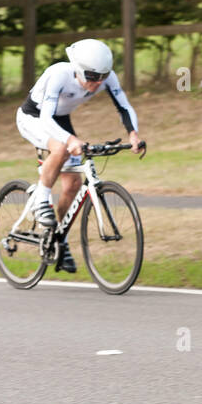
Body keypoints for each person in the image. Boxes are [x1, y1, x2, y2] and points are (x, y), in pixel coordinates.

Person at [16, 39, 145, 273]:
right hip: (33, 117)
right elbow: (46, 119)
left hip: (61, 120)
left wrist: (133, 134)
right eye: (91, 76)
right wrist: (70, 140)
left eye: (102, 77)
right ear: (76, 68)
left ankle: (58, 238)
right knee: (61, 149)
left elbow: (124, 106)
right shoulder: (58, 74)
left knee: (73, 184)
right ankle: (41, 200)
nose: (97, 83)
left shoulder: (106, 77)